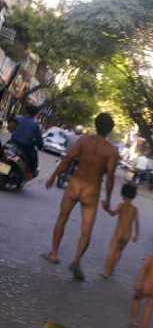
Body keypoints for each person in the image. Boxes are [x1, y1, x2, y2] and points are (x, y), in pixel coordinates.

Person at [44, 113, 118, 281]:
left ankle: (54, 253)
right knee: (86, 231)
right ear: (110, 130)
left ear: (96, 124)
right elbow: (110, 177)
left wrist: (53, 176)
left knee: (62, 219)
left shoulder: (84, 140)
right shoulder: (111, 151)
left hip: (75, 184)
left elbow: (67, 159)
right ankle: (76, 260)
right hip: (92, 190)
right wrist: (108, 199)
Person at [101, 183, 139, 278]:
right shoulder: (135, 209)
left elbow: (112, 214)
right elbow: (136, 223)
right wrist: (136, 235)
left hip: (119, 233)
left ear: (123, 194)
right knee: (118, 252)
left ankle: (106, 272)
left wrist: (106, 208)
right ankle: (112, 270)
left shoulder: (121, 205)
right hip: (127, 235)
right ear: (133, 196)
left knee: (112, 252)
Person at [10, 105, 43, 176]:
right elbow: (39, 140)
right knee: (33, 162)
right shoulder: (35, 124)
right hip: (25, 148)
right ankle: (31, 173)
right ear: (36, 114)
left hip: (12, 143)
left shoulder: (17, 118)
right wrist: (40, 145)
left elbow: (10, 128)